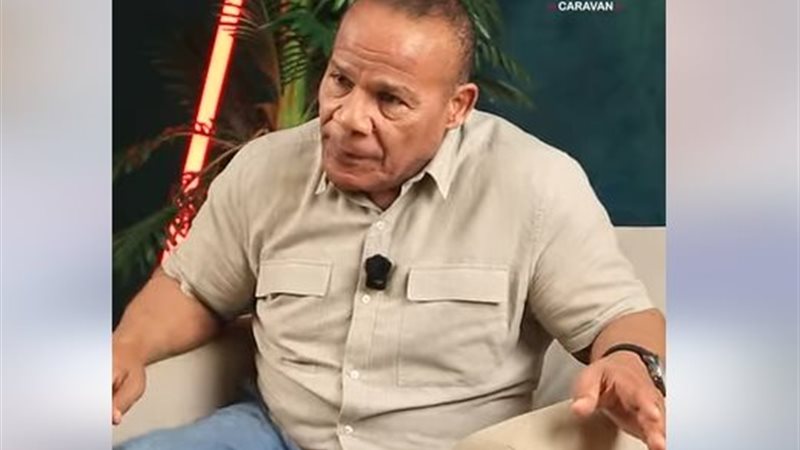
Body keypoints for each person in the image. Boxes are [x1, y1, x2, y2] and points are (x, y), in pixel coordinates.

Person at [112, 0, 666, 449]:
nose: (349, 118)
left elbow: (620, 318)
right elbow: (193, 289)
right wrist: (128, 346)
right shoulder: (264, 170)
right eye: (340, 80)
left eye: (389, 100)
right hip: (276, 435)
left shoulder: (534, 185)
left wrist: (630, 361)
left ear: (457, 107)